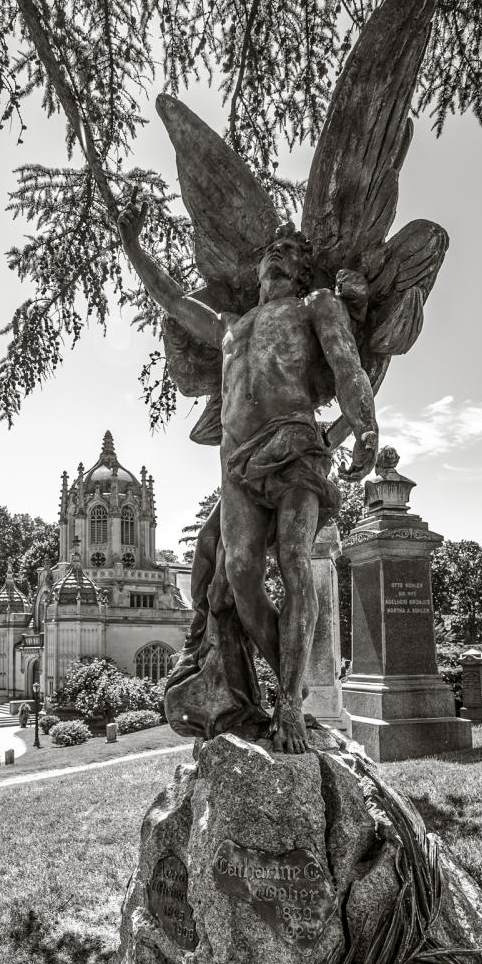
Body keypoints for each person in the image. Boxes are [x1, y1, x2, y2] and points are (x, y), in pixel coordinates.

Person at [118, 197, 377, 754]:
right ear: (258, 268)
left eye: (289, 255)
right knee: (237, 572)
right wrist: (134, 246)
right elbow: (170, 297)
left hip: (296, 448)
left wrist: (367, 426)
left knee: (293, 562)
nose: (277, 260)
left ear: (301, 271)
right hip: (237, 463)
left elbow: (348, 367)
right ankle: (280, 685)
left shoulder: (317, 305)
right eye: (271, 254)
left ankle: (289, 705)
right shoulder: (230, 327)